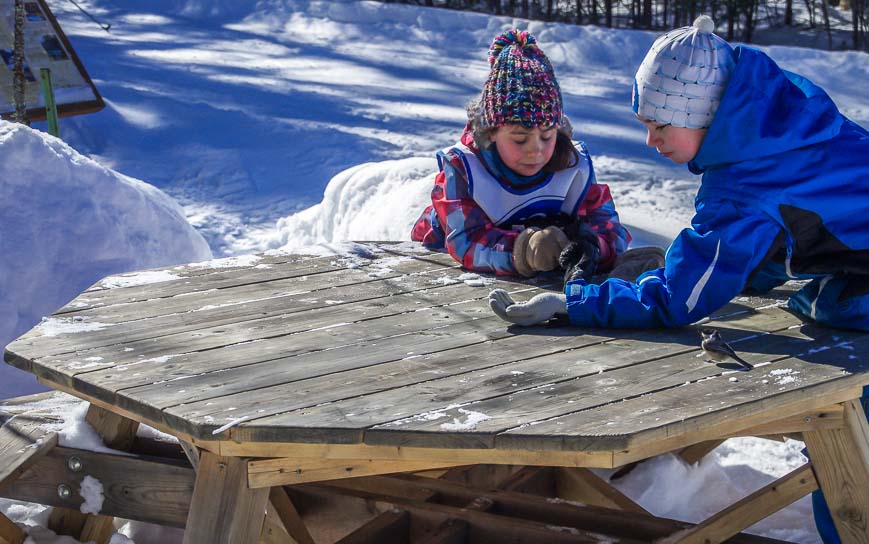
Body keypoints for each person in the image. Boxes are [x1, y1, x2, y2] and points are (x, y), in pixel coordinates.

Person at [489, 16, 869, 543]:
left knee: (852, 464)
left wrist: (571, 304)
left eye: (661, 125)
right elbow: (805, 222)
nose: (649, 140)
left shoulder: (744, 183)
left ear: (705, 115)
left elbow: (678, 299)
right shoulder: (792, 125)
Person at [412, 29, 653, 283]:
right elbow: (466, 240)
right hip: (436, 276)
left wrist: (591, 246)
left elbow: (611, 229)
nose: (535, 149)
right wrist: (524, 250)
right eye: (520, 138)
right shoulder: (465, 168)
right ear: (491, 132)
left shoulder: (573, 165)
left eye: (547, 136)